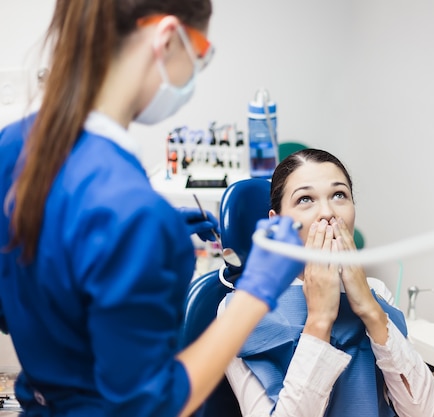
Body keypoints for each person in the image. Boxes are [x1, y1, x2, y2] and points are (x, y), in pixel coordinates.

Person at [0, 1, 304, 416]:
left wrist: (131, 257)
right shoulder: (133, 212)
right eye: (199, 54)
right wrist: (256, 291)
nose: (196, 70)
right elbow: (150, 406)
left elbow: (18, 299)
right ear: (166, 38)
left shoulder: (11, 145)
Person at [220, 148, 434, 417]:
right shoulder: (239, 311)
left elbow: (426, 412)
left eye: (339, 195)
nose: (327, 212)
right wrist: (319, 320)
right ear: (277, 222)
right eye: (305, 199)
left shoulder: (377, 292)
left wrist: (370, 310)